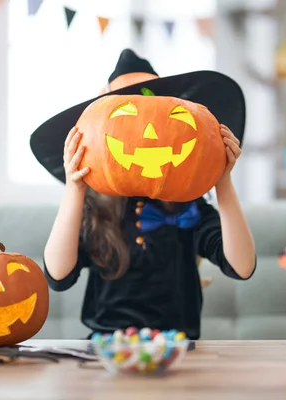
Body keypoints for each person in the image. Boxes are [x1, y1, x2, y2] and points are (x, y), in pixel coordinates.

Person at [29, 49, 256, 340]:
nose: (147, 133)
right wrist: (75, 189)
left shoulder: (187, 205)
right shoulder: (95, 209)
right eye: (125, 113)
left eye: (167, 114)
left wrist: (221, 180)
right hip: (106, 348)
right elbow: (58, 276)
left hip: (177, 348)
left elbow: (243, 266)